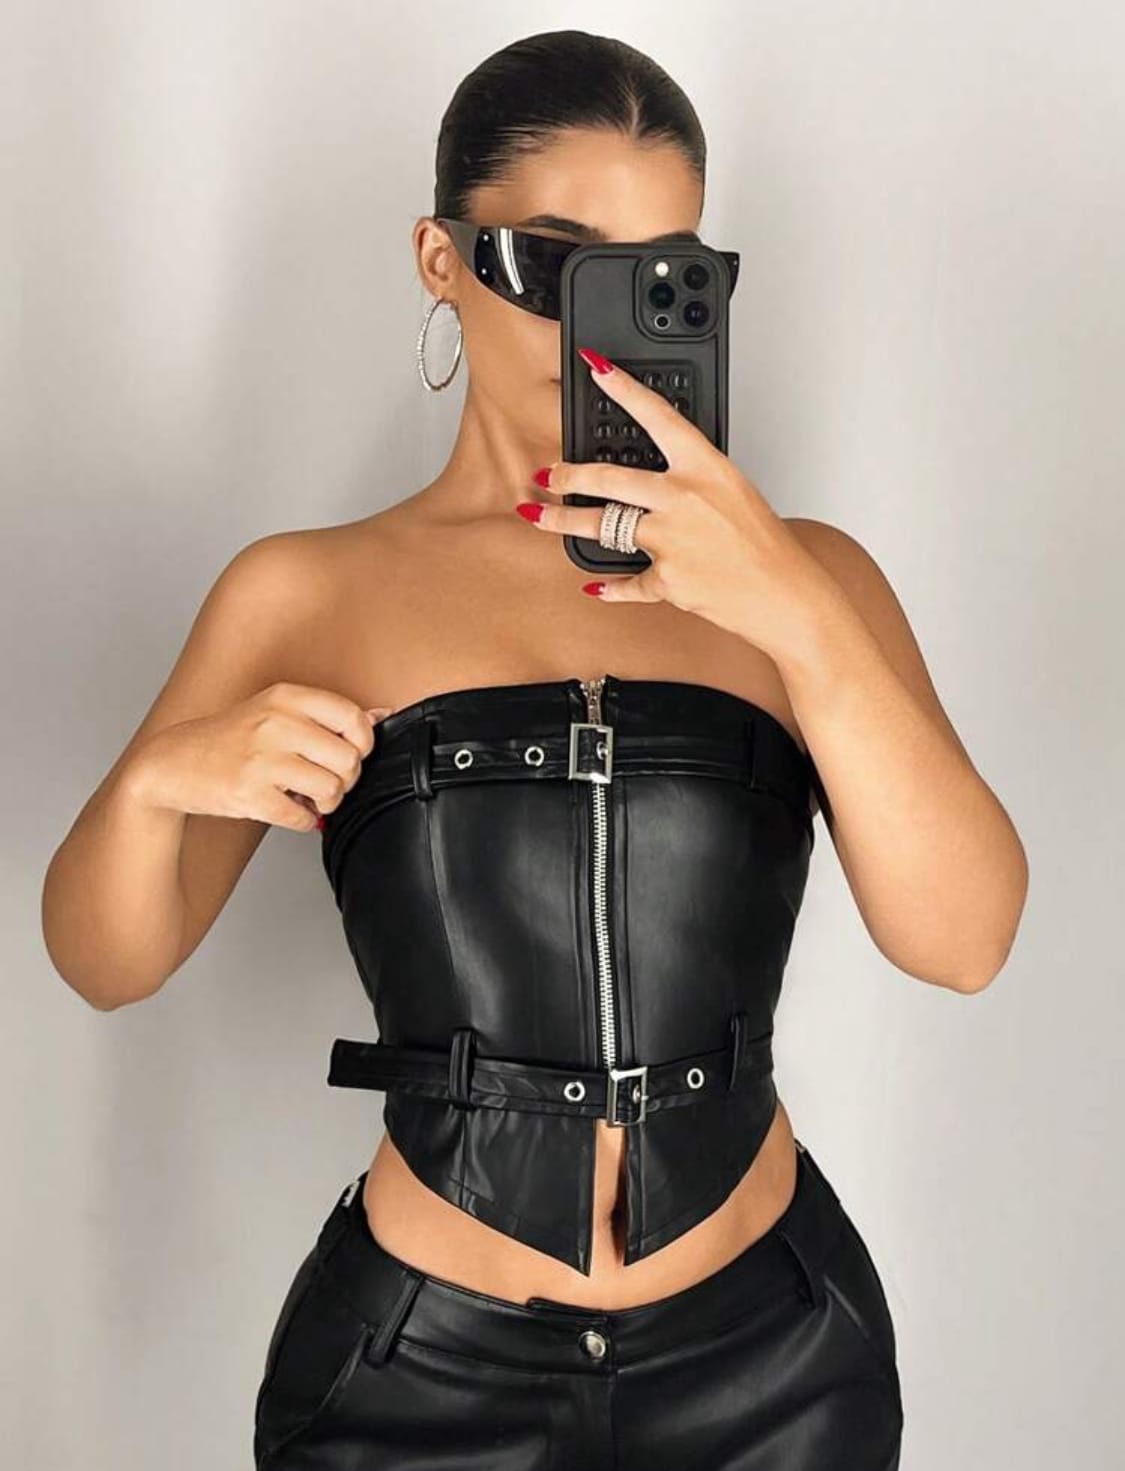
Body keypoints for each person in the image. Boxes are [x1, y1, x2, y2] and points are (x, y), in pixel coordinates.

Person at [42, 27, 1028, 1471]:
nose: (599, 324)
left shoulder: (809, 580)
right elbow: (105, 963)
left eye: (659, 273)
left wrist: (798, 620)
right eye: (554, 262)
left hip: (774, 1367)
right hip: (414, 1378)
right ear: (439, 260)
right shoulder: (305, 593)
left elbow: (965, 941)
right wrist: (151, 788)